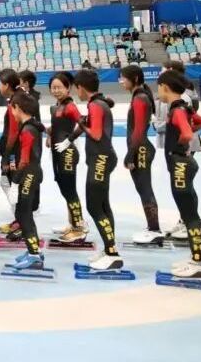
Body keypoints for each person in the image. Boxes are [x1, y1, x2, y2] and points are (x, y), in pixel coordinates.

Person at [56, 69, 122, 271]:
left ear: (80, 87)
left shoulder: (95, 105)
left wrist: (81, 123)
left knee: (94, 207)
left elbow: (96, 134)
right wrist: (74, 133)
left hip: (100, 159)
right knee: (103, 206)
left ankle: (113, 254)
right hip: (101, 158)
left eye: (76, 89)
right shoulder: (98, 103)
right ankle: (109, 249)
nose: (77, 93)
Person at [157, 69, 201, 277]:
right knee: (190, 211)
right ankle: (196, 257)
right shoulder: (183, 108)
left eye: (158, 88)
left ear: (165, 88)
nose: (158, 92)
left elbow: (187, 134)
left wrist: (179, 147)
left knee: (189, 214)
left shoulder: (177, 110)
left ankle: (198, 262)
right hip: (185, 164)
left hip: (179, 164)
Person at [120, 65, 161, 245]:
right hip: (140, 148)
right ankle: (152, 227)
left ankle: (155, 230)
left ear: (135, 78)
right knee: (142, 189)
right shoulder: (139, 96)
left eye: (123, 78)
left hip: (141, 149)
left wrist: (130, 154)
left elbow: (138, 130)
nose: (121, 81)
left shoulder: (140, 98)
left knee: (145, 189)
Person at [9, 92, 48, 271]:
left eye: (12, 109)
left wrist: (15, 183)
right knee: (24, 213)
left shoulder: (27, 130)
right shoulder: (32, 125)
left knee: (23, 213)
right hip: (33, 172)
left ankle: (34, 255)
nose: (12, 113)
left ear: (18, 108)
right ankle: (34, 250)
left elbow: (24, 160)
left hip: (29, 174)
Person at [46, 72, 86, 242]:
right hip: (57, 153)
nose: (56, 91)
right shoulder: (57, 106)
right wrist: (50, 135)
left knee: (70, 191)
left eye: (59, 87)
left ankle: (79, 228)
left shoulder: (69, 106)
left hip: (67, 153)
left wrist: (69, 140)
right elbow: (58, 126)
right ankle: (73, 223)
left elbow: (84, 123)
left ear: (68, 87)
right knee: (65, 189)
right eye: (53, 88)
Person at [0, 69, 22, 236]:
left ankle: (21, 221)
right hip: (15, 151)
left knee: (9, 184)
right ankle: (19, 219)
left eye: (0, 83)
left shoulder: (15, 102)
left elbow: (13, 132)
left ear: (6, 85)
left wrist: (6, 157)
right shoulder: (17, 98)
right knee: (9, 184)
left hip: (14, 152)